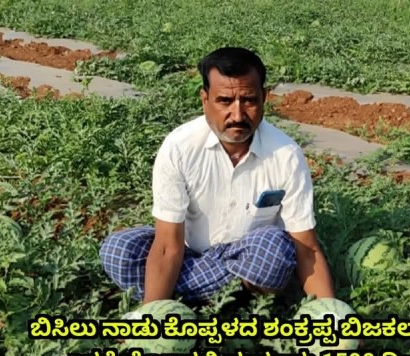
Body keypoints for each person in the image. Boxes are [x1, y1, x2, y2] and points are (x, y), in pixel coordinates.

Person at [100, 46, 335, 305]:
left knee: (274, 250)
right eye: (225, 101)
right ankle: (223, 298)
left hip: (250, 256)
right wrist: (151, 319)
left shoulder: (286, 155)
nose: (237, 115)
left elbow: (307, 248)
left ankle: (181, 297)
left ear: (264, 98)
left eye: (249, 100)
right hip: (187, 255)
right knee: (118, 251)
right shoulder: (180, 147)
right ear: (205, 99)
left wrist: (332, 315)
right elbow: (168, 246)